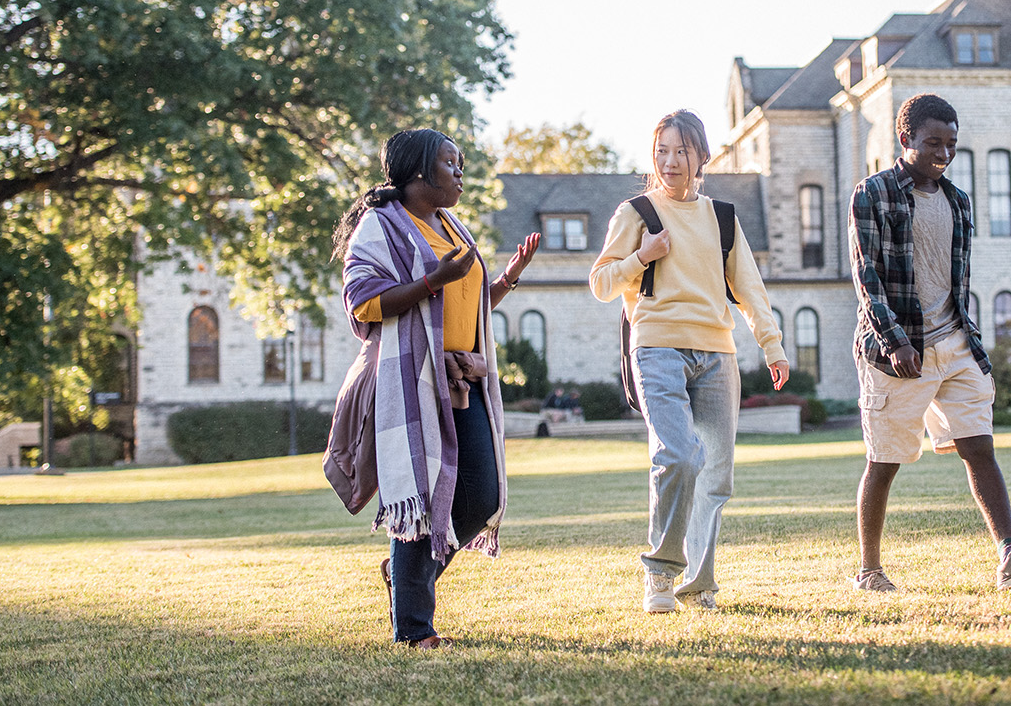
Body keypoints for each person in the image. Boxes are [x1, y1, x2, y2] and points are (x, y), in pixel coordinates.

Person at [334, 128, 540, 648]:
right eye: (451, 163)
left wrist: (508, 277)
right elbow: (362, 303)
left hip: (462, 378)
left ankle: (403, 577)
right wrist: (432, 280)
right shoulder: (379, 229)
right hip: (413, 380)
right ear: (420, 170)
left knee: (482, 493)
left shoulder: (454, 228)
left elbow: (462, 308)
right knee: (423, 499)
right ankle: (415, 629)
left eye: (461, 162)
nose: (460, 172)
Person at [848, 93, 1011, 593]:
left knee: (979, 447)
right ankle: (869, 570)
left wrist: (967, 336)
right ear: (906, 140)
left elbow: (954, 278)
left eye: (951, 144)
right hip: (896, 350)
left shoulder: (958, 200)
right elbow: (866, 275)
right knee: (884, 461)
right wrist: (894, 337)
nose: (942, 153)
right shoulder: (873, 193)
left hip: (956, 342)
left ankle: (1010, 556)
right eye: (932, 143)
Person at [589, 109, 790, 613]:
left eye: (681, 151)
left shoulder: (723, 217)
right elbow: (600, 283)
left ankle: (698, 585)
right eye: (662, 151)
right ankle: (659, 575)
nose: (670, 161)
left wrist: (772, 345)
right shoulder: (636, 213)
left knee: (715, 474)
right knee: (677, 456)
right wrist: (642, 256)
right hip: (656, 346)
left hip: (717, 353)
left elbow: (749, 288)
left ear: (702, 156)